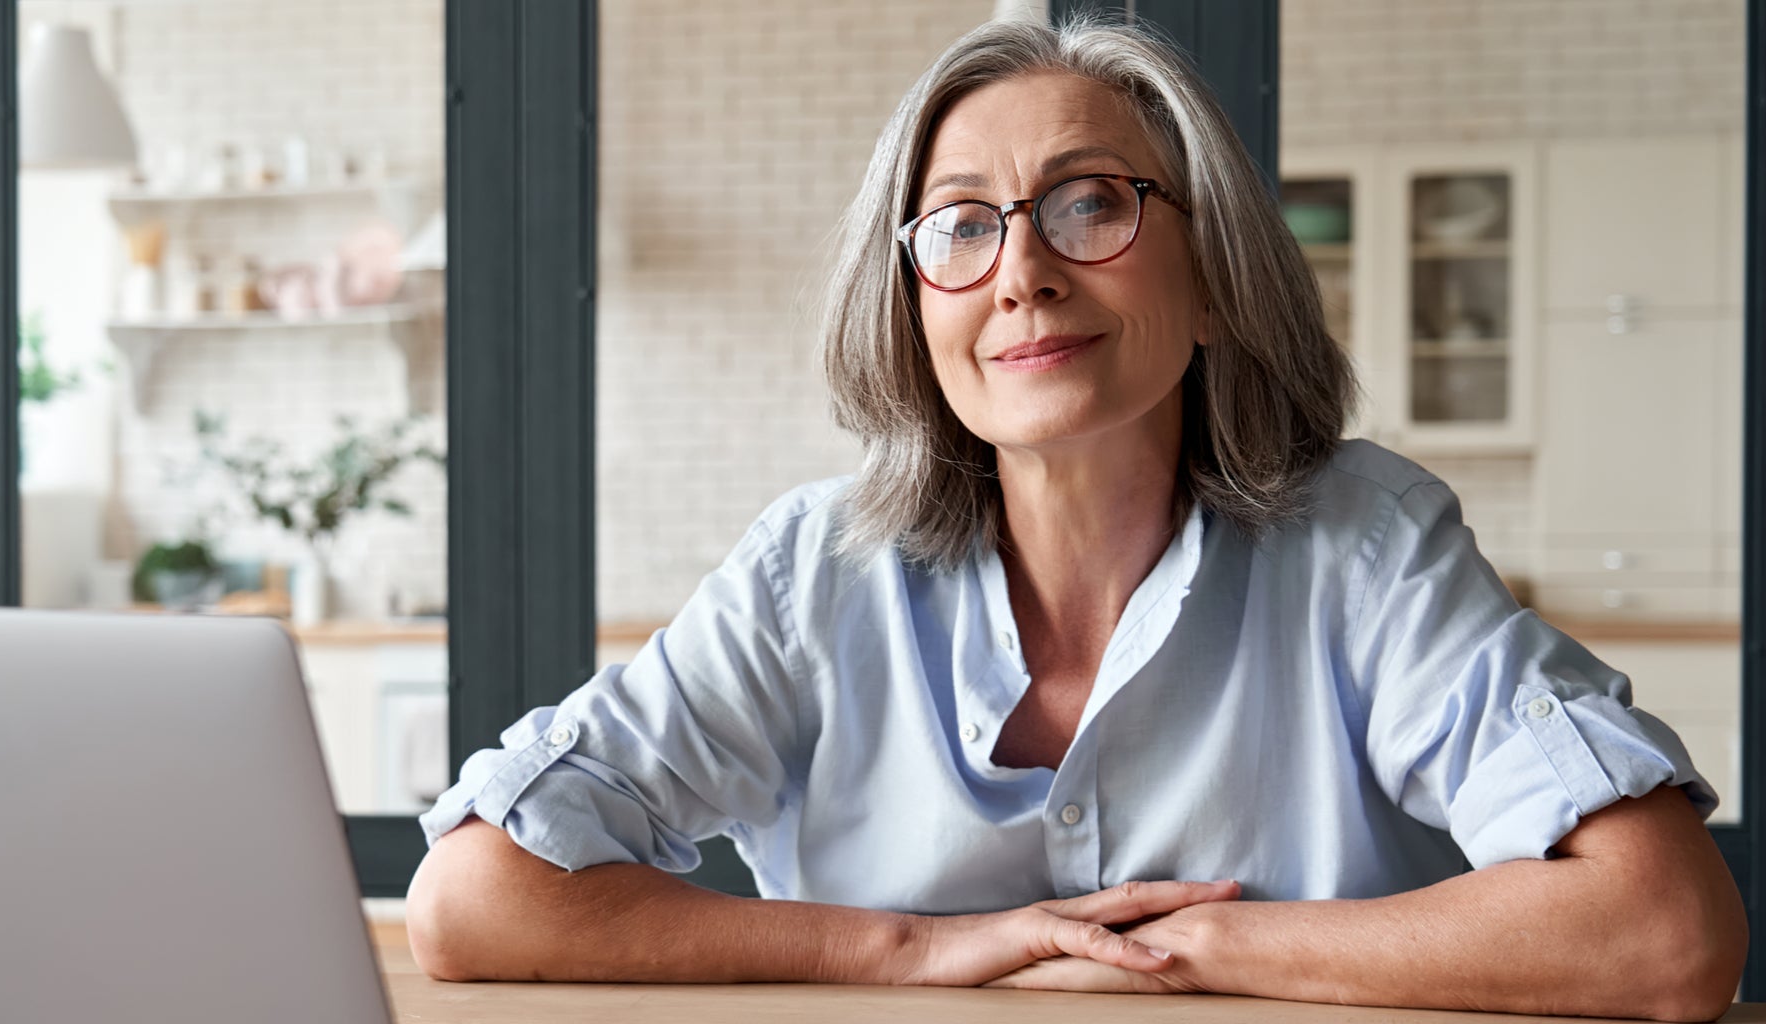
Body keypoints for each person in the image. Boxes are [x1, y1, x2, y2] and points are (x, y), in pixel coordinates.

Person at [405, 14, 1745, 1020]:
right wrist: (918, 950)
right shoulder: (815, 570)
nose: (1023, 273)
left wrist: (1196, 947)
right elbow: (473, 902)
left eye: (1090, 203)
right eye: (961, 227)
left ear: (1214, 272)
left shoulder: (1366, 544)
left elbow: (1665, 932)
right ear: (914, 305)